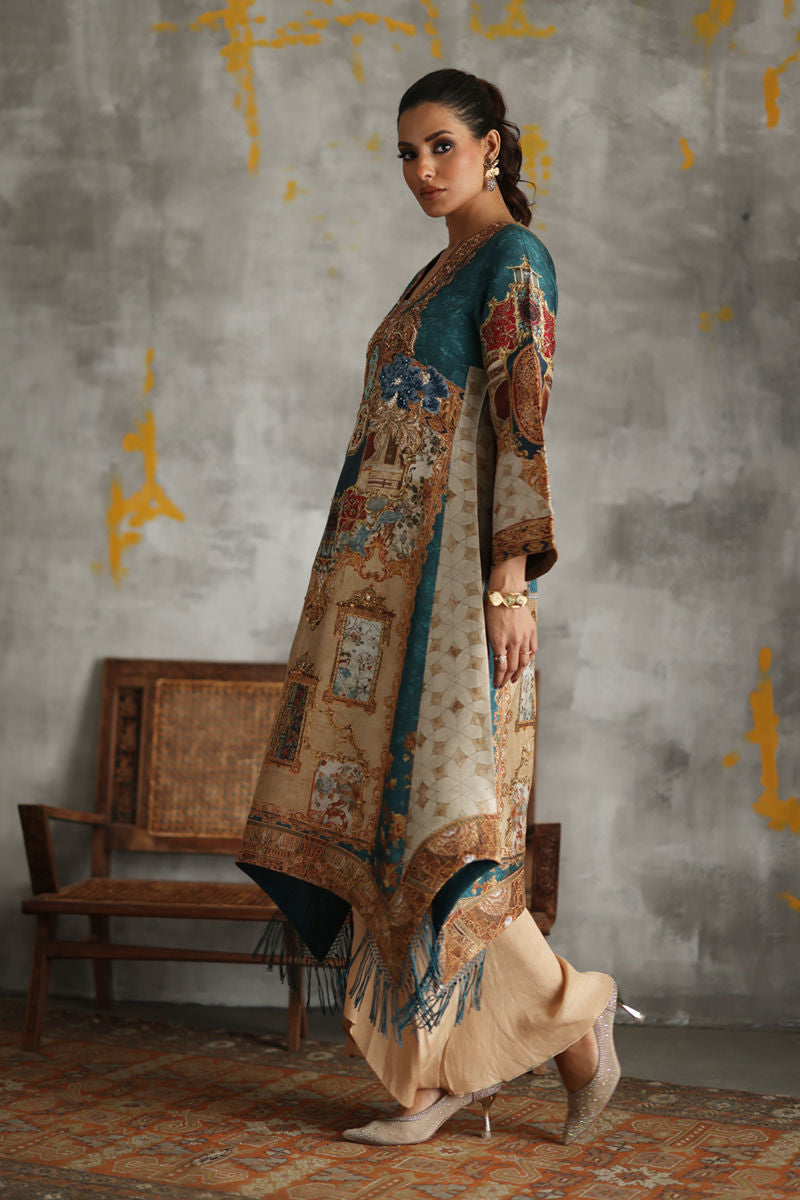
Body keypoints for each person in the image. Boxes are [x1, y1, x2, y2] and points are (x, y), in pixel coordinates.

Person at [238, 67, 641, 1147]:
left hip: (457, 596)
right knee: (394, 825)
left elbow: (521, 427)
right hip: (379, 594)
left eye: (441, 147)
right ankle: (468, 1068)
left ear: (492, 145)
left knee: (449, 829)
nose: (421, 170)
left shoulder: (514, 260)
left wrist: (508, 586)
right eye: (406, 154)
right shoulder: (443, 266)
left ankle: (539, 1032)